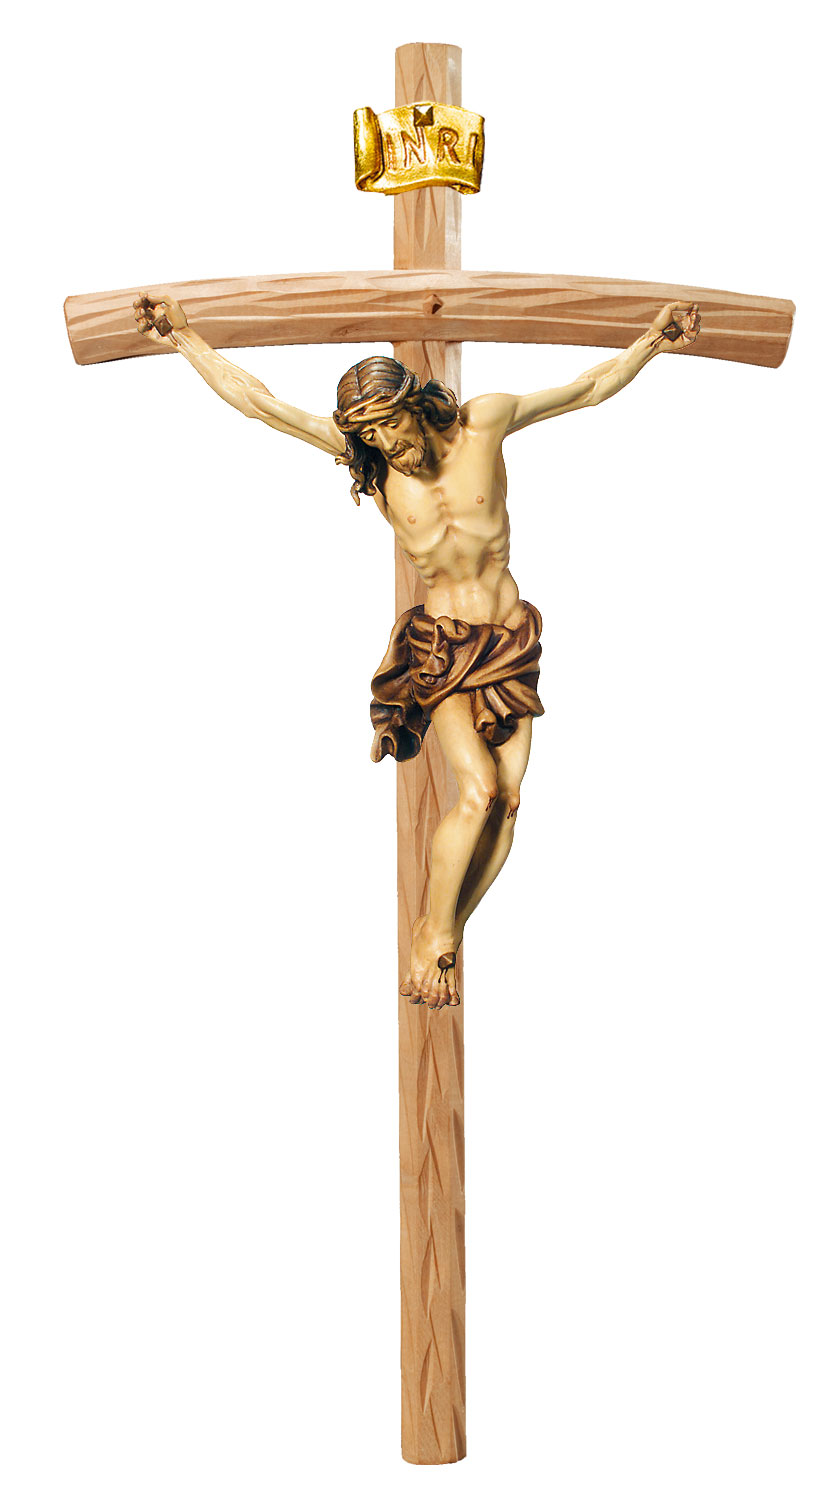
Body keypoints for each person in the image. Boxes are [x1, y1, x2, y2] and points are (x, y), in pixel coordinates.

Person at [134, 292, 700, 1007]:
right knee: (478, 788)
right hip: (443, 646)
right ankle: (433, 934)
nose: (383, 443)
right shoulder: (374, 465)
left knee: (509, 801)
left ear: (413, 404)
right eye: (367, 434)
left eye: (388, 424)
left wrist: (653, 340)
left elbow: (586, 389)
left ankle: (445, 930)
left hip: (509, 638)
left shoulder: (484, 423)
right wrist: (184, 337)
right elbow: (259, 403)